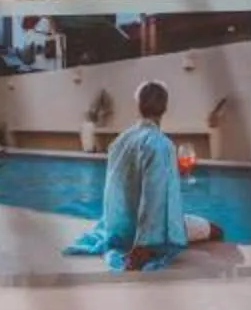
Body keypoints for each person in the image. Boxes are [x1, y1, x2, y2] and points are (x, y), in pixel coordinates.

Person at [67, 79, 223, 272]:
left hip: (118, 229)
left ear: (138, 106)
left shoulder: (120, 142)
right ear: (165, 108)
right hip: (146, 235)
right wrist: (143, 246)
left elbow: (114, 190)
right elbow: (154, 197)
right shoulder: (161, 144)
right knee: (216, 230)